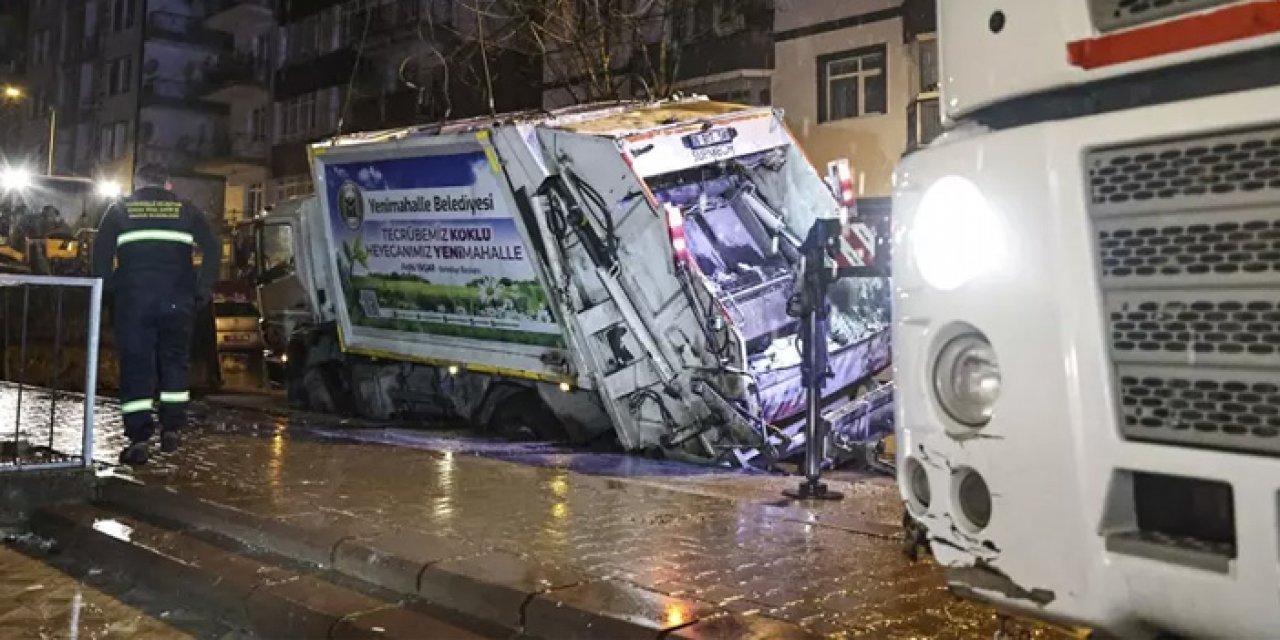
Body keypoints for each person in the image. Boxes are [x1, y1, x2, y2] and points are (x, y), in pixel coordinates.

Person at [92, 164, 220, 465]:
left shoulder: (119, 210)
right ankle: (171, 428)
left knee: (137, 364)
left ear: (136, 183)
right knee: (174, 360)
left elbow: (100, 255)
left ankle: (139, 438)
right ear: (168, 184)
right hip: (178, 300)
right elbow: (213, 248)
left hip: (134, 301)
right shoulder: (186, 210)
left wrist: (109, 290)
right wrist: (203, 287)